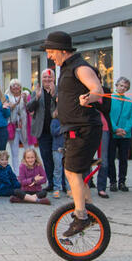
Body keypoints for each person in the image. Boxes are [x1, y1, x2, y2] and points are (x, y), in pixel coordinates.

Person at [42, 31, 104, 237]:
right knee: (73, 171)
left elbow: (98, 89)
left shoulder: (81, 67)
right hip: (73, 128)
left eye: (51, 51)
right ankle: (88, 209)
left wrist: (89, 97)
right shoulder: (66, 68)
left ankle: (82, 216)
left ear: (62, 50)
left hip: (84, 128)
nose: (50, 56)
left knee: (71, 172)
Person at [26, 68, 58, 193]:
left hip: (57, 131)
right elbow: (29, 108)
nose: (47, 80)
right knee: (46, 157)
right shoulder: (37, 92)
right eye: (45, 77)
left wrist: (54, 94)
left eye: (49, 77)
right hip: (43, 131)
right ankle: (51, 182)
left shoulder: (58, 91)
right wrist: (36, 97)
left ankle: (60, 182)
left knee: (58, 158)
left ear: (53, 79)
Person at [108, 77, 132, 193]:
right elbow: (108, 115)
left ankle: (122, 181)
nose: (122, 88)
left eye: (125, 87)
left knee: (123, 159)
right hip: (113, 134)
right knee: (110, 158)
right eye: (121, 85)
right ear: (116, 85)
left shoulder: (129, 101)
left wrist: (125, 129)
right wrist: (115, 129)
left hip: (125, 135)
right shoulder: (110, 99)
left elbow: (131, 117)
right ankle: (112, 182)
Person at [5, 79, 32, 172]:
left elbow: (31, 109)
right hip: (13, 126)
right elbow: (5, 112)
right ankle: (16, 172)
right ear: (10, 88)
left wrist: (25, 101)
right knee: (14, 151)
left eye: (17, 85)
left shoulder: (26, 95)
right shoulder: (7, 97)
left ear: (21, 87)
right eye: (13, 85)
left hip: (24, 126)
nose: (16, 87)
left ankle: (30, 170)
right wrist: (11, 106)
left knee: (28, 149)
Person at [50, 112, 66, 198]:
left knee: (68, 170)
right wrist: (62, 127)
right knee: (58, 169)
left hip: (67, 148)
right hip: (57, 148)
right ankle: (57, 188)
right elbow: (53, 132)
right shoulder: (55, 121)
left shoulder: (69, 121)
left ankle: (69, 188)